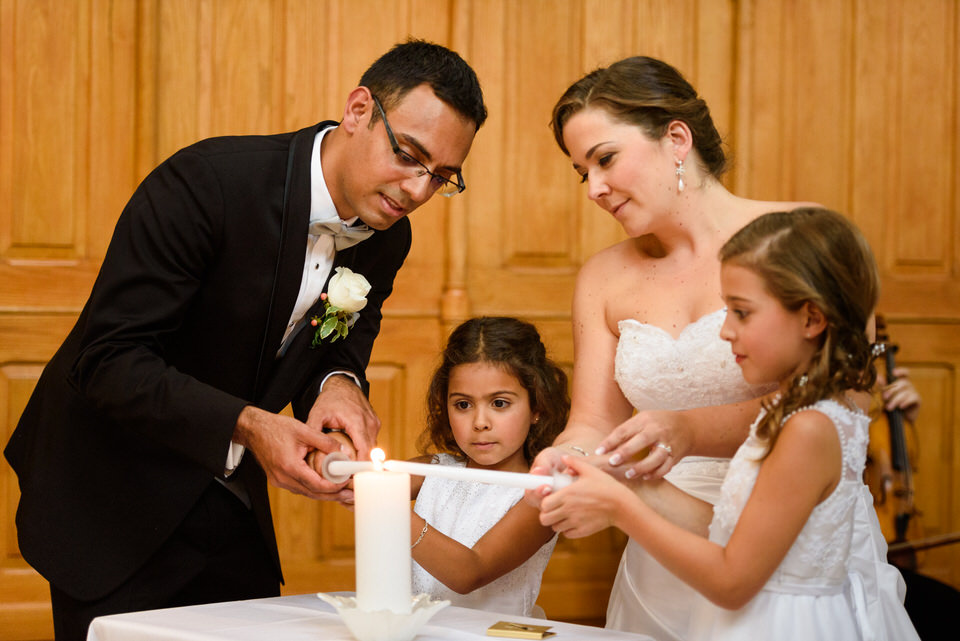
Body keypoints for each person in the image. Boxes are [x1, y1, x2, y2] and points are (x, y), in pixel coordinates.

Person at [3, 39, 486, 640]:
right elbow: (107, 360)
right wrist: (253, 426)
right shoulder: (207, 182)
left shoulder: (389, 234)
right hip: (108, 489)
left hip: (227, 492)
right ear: (359, 110)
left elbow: (338, 344)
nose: (417, 190)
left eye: (441, 177)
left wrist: (340, 385)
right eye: (408, 155)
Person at [523, 55, 814, 640]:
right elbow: (593, 421)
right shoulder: (602, 277)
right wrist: (569, 460)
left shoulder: (800, 236)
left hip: (784, 534)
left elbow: (832, 402)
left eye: (605, 159)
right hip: (659, 550)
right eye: (583, 172)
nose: (595, 188)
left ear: (676, 138)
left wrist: (687, 430)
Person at [540, 207, 920, 640]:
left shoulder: (810, 429)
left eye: (740, 312)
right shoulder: (793, 412)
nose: (724, 332)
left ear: (812, 319)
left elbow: (732, 580)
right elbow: (732, 527)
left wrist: (619, 509)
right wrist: (627, 483)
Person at [408, 317, 568, 617]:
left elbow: (470, 573)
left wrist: (385, 508)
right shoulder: (435, 470)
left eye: (499, 403)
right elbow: (361, 477)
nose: (480, 422)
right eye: (463, 405)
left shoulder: (539, 495)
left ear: (537, 407)